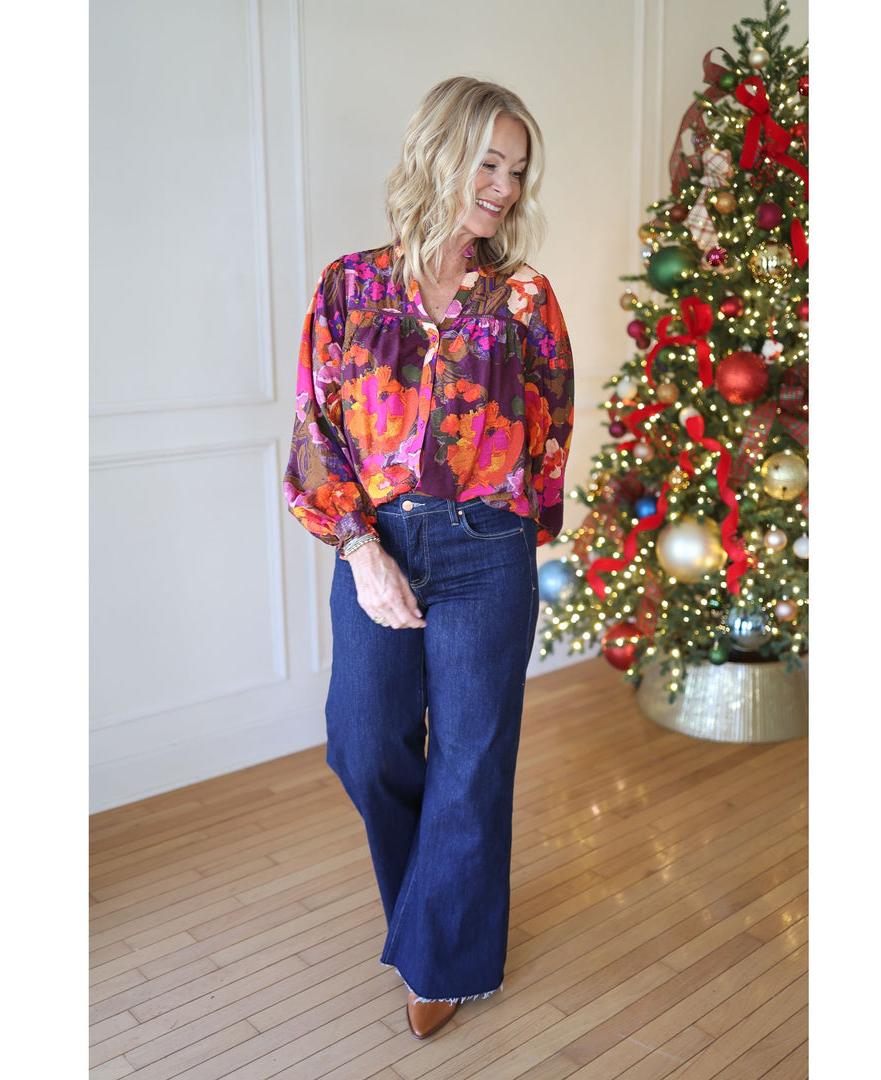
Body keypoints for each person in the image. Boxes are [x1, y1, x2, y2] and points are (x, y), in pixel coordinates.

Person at [283, 76, 573, 1040]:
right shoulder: (348, 287)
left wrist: (515, 538)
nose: (503, 186)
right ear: (440, 153)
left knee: (474, 757)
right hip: (381, 543)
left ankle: (442, 955)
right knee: (362, 743)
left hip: (489, 549)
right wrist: (361, 549)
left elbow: (552, 429)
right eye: (488, 161)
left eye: (517, 170)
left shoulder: (525, 298)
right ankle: (434, 906)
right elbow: (316, 431)